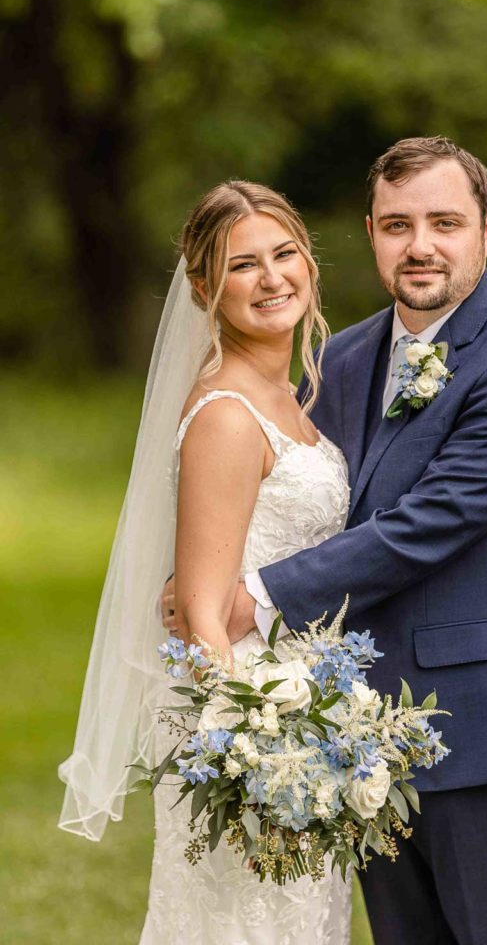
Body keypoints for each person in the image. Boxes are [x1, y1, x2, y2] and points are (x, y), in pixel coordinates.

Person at [167, 136, 487, 944]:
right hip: (360, 739)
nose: (421, 245)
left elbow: (425, 525)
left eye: (445, 222)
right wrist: (204, 574)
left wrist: (253, 594)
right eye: (398, 225)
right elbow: (288, 491)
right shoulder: (344, 356)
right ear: (370, 233)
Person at [58, 181, 352, 945]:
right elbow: (198, 613)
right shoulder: (227, 415)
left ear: (311, 265)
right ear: (204, 288)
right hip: (254, 730)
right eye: (243, 264)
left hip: (309, 717)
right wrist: (249, 751)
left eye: (285, 254)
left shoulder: (289, 394)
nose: (273, 278)